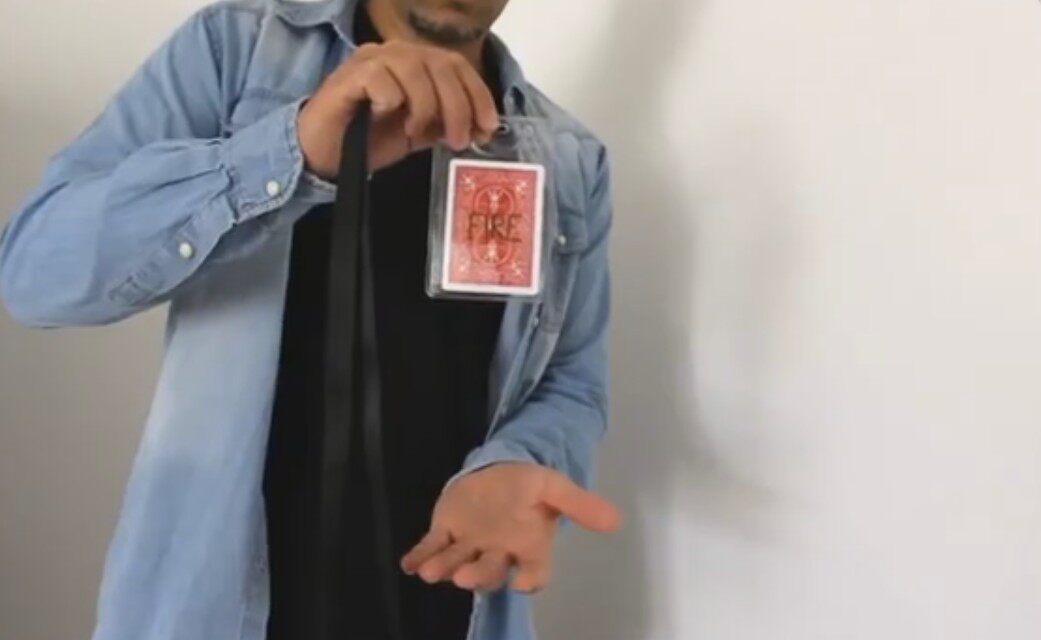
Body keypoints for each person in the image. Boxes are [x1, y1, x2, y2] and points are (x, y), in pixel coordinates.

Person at [0, 0, 619, 639]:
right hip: (217, 608)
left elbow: (571, 383)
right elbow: (34, 273)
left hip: (453, 605)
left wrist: (516, 459)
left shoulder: (570, 159)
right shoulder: (236, 51)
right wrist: (287, 152)